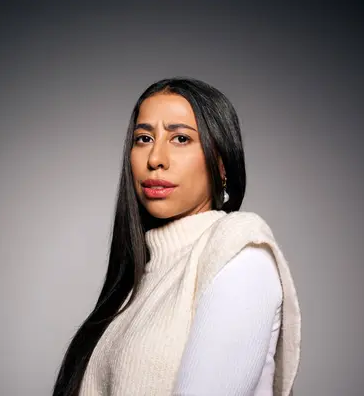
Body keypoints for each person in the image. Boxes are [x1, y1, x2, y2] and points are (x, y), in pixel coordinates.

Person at [52, 78, 301, 396]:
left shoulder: (239, 250)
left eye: (180, 138)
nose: (155, 158)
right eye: (144, 138)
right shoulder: (138, 281)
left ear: (222, 162)